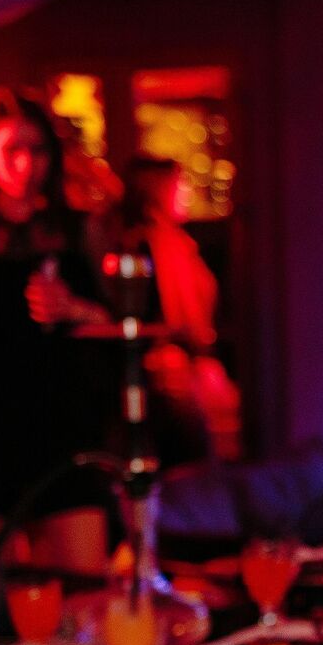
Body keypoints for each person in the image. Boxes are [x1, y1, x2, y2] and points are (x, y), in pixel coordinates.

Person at [0, 87, 115, 572]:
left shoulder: (77, 230)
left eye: (37, 149)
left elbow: (123, 325)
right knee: (8, 593)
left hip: (67, 428)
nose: (25, 164)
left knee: (82, 586)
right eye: (11, 149)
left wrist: (74, 309)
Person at [110, 155, 241, 464]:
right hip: (174, 373)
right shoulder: (153, 244)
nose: (187, 193)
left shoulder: (176, 242)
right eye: (179, 185)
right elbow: (176, 316)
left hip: (189, 366)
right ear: (156, 190)